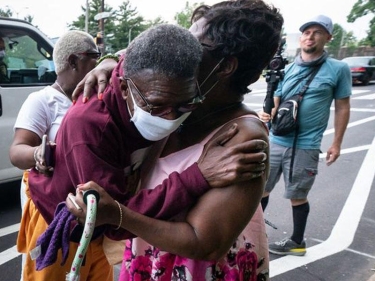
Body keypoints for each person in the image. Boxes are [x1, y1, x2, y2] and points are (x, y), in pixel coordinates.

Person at [20, 23, 263, 281]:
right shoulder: (90, 127)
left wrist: (108, 60)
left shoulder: (154, 73)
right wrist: (197, 176)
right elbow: (112, 217)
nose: (170, 118)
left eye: (186, 104)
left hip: (99, 229)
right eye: (156, 106)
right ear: (126, 89)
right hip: (60, 222)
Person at [68, 1, 283, 280]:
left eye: (194, 42)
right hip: (149, 259)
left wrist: (117, 214)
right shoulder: (178, 105)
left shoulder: (243, 137)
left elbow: (205, 243)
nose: (181, 46)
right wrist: (109, 62)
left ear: (225, 66)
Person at [9, 30, 99, 281]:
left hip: (90, 214)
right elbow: (17, 152)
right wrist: (39, 152)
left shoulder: (93, 97)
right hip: (51, 212)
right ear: (73, 61)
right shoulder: (42, 100)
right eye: (94, 56)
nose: (99, 64)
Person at [258, 14, 351, 256]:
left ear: (328, 37)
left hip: (306, 145)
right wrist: (267, 113)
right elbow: (277, 102)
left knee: (297, 195)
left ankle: (297, 242)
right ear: (301, 38)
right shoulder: (286, 69)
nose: (310, 36)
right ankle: (253, 233)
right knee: (260, 190)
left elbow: (342, 106)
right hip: (277, 140)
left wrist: (336, 143)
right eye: (306, 32)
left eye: (317, 32)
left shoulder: (338, 69)